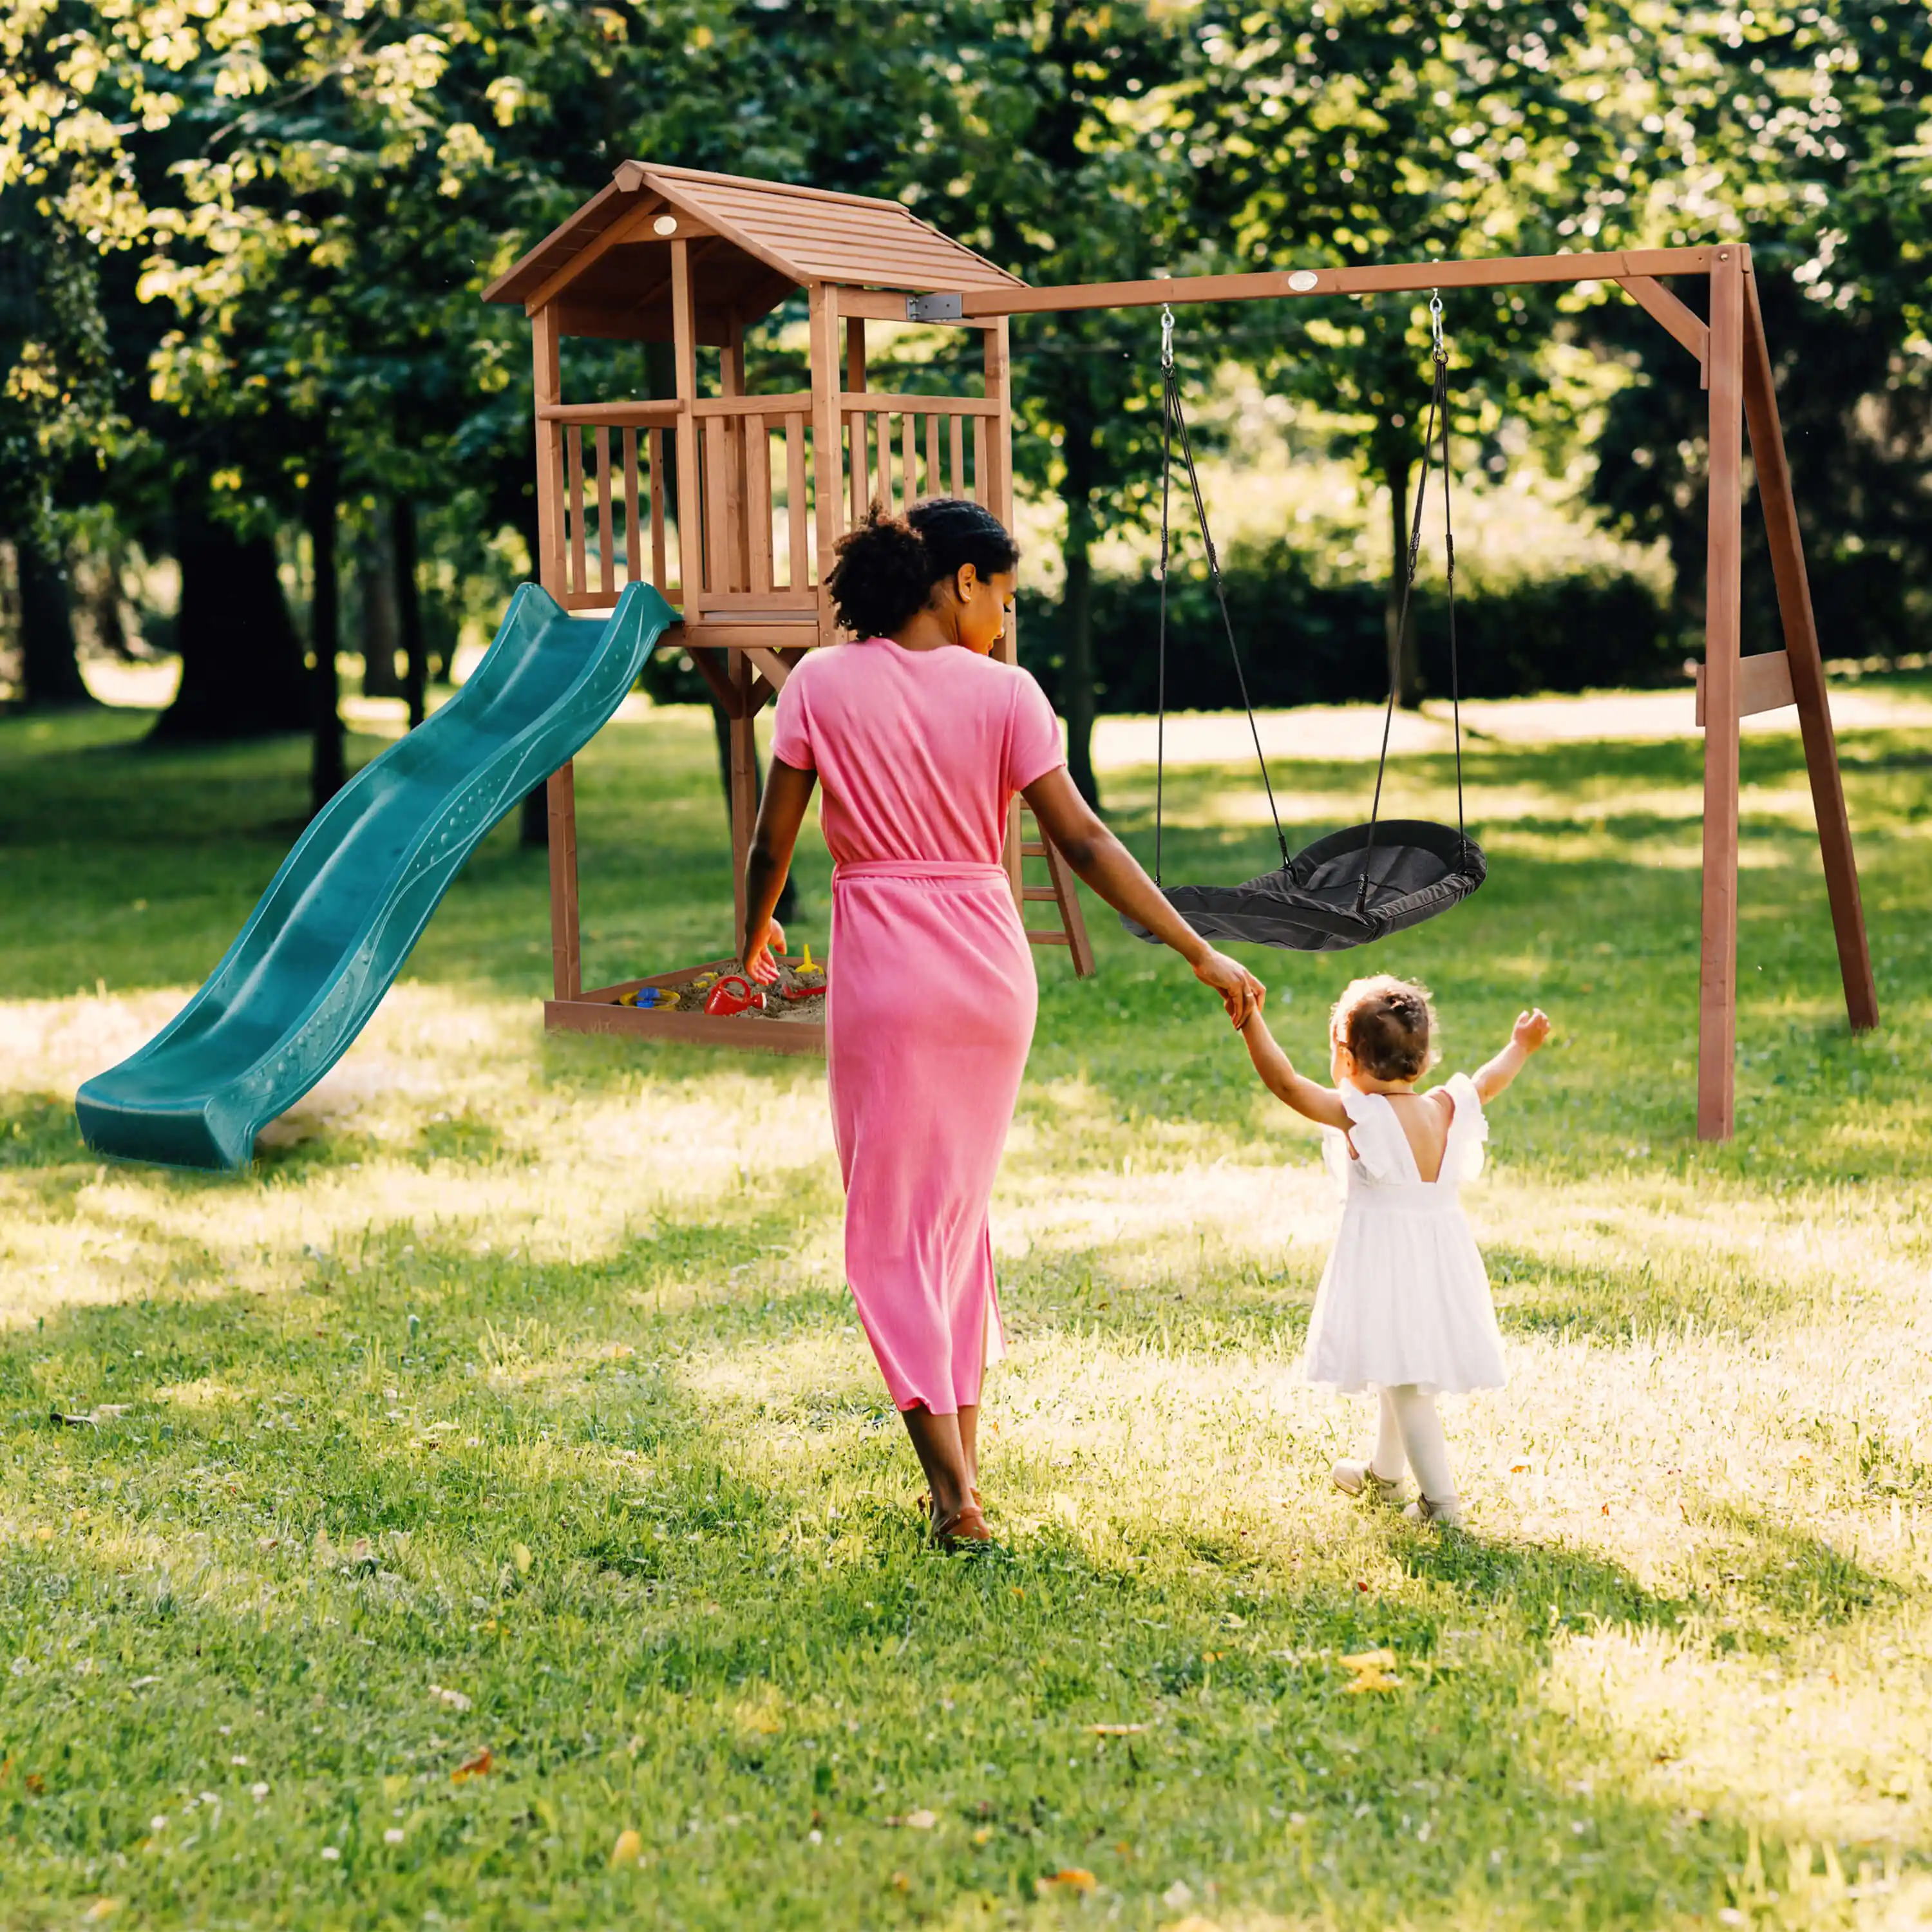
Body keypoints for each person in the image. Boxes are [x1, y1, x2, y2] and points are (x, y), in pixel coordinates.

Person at [741, 498, 1264, 1547]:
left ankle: (953, 1496)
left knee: (890, 1230)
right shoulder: (1009, 697)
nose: (1009, 622)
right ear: (961, 581)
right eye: (1007, 597)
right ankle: (963, 1476)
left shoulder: (819, 684)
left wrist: (750, 937)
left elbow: (771, 843)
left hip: (887, 970)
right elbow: (1083, 843)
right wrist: (1198, 947)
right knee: (952, 1224)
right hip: (989, 969)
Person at [1235, 975, 1551, 1527]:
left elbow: (1286, 1084)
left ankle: (1441, 1504)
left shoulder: (1361, 1116)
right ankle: (1385, 1475)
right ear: (1423, 1059)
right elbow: (1488, 1080)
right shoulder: (1446, 1106)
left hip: (1388, 1263)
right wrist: (1520, 1046)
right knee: (1394, 1362)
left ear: (1347, 1057)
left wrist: (1250, 1020)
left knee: (1406, 1383)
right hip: (1438, 1259)